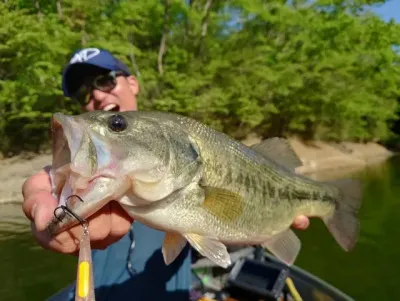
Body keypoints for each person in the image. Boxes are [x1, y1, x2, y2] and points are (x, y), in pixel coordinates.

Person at [21, 48, 310, 301]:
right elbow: (52, 193)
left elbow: (223, 216)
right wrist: (54, 192)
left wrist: (256, 225)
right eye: (84, 93)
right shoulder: (86, 168)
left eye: (105, 80)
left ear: (132, 83)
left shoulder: (183, 141)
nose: (96, 95)